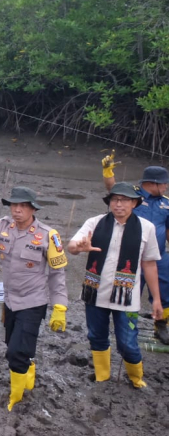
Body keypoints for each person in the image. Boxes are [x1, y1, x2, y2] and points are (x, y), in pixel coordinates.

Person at [0, 186, 68, 411]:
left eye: (22, 206)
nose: (17, 210)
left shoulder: (49, 235)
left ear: (32, 209)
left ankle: (16, 397)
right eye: (14, 205)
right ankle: (27, 368)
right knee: (13, 344)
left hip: (34, 301)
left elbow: (57, 273)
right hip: (10, 300)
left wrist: (60, 305)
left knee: (15, 352)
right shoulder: (2, 225)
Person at [68, 182, 163, 389]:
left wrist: (156, 299)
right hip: (95, 294)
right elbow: (72, 246)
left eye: (125, 200)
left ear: (135, 203)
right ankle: (102, 376)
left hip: (127, 298)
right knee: (96, 336)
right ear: (109, 201)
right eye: (115, 199)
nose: (119, 204)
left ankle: (136, 379)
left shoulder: (146, 228)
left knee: (128, 343)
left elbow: (149, 264)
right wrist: (79, 248)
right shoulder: (95, 223)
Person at [101, 152, 169, 344]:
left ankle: (161, 326)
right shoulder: (133, 196)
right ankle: (128, 326)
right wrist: (107, 171)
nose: (166, 186)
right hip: (132, 255)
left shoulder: (166, 203)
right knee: (129, 292)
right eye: (164, 183)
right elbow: (112, 188)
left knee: (165, 292)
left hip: (159, 256)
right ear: (153, 183)